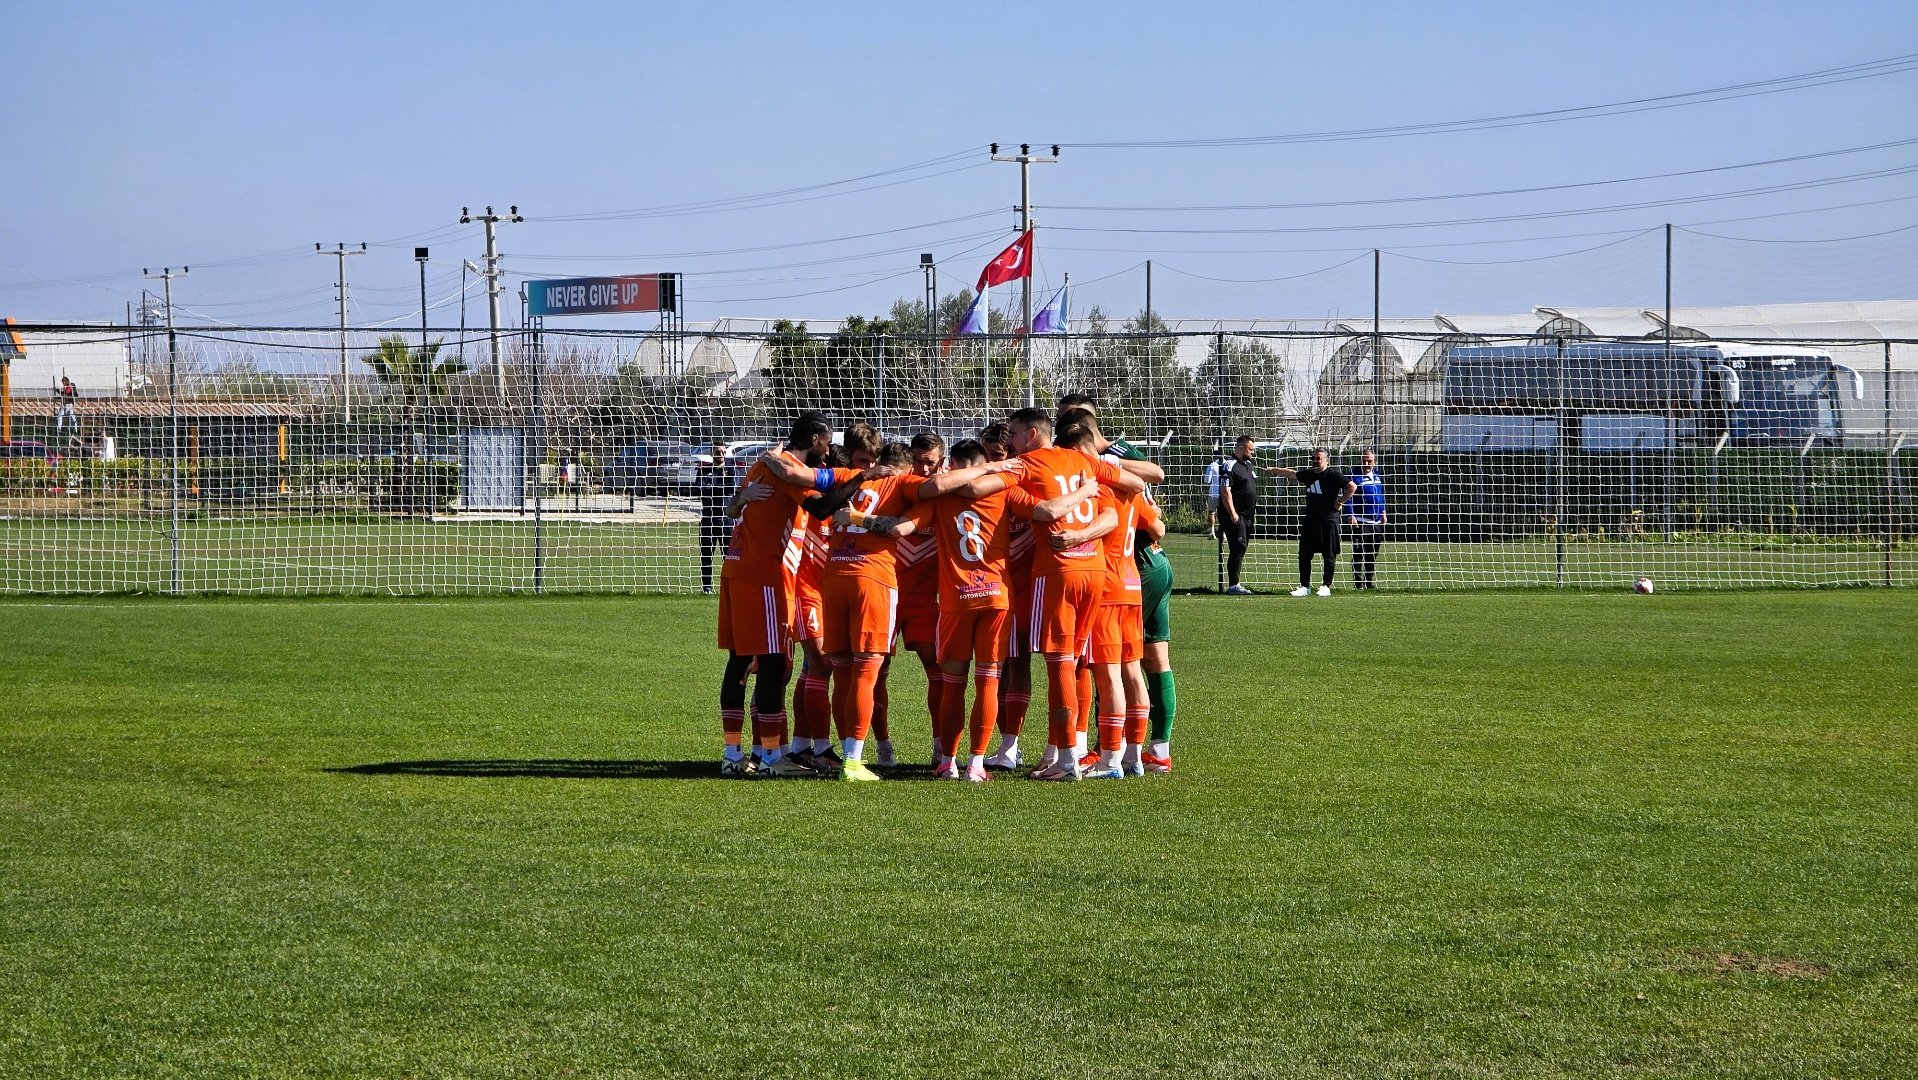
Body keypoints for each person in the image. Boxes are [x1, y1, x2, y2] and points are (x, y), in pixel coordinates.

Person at [932, 408, 1159, 780]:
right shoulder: (1085, 461)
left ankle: (1067, 761)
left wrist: (987, 470)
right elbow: (1134, 485)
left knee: (1059, 666)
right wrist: (1088, 496)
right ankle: (1082, 751)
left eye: (1014, 435)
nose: (1010, 443)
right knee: (1082, 664)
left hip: (1056, 572)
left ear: (1032, 434)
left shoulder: (1027, 464)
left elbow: (975, 490)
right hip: (1095, 572)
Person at [714, 413, 849, 779]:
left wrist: (740, 498)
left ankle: (734, 754)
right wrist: (859, 478)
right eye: (826, 442)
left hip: (737, 569)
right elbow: (822, 507)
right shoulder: (787, 469)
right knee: (774, 665)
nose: (827, 450)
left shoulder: (765, 463)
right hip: (764, 576)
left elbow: (733, 509)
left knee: (741, 661)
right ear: (814, 439)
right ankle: (773, 759)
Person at [1269, 447, 1356, 597]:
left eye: (1318, 458)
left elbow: (1352, 487)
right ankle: (1304, 586)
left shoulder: (1333, 475)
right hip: (1311, 520)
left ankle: (1326, 586)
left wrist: (1340, 501)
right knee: (1304, 554)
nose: (1315, 461)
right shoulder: (1309, 474)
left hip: (1329, 520)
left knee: (1329, 554)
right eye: (1313, 458)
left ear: (1326, 460)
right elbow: (1292, 474)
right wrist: (1274, 470)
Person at [1216, 436, 1261, 595]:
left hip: (1248, 516)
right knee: (1238, 546)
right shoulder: (1229, 465)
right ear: (1241, 447)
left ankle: (1235, 584)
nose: (1253, 452)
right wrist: (1232, 513)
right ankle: (1233, 585)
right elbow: (1225, 491)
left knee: (1241, 547)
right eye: (1251, 449)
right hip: (1235, 515)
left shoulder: (1248, 465)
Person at [693, 442, 734, 594]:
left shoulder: (731, 470)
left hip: (726, 519)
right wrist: (718, 488)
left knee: (728, 557)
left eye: (723, 452)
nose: (720, 455)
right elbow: (698, 489)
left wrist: (711, 488)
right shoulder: (704, 470)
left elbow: (730, 489)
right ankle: (707, 588)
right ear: (712, 454)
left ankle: (728, 588)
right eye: (717, 452)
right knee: (706, 556)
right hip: (708, 518)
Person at [1347, 449, 1387, 590]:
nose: (1366, 463)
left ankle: (1369, 582)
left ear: (1374, 462)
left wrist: (1383, 511)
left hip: (1376, 521)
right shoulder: (1353, 475)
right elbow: (1348, 497)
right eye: (1364, 460)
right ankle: (1358, 584)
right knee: (1359, 553)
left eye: (1369, 461)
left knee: (1373, 553)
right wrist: (1350, 514)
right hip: (1361, 520)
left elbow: (1381, 495)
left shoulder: (1377, 475)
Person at [55, 377, 79, 441]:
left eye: (63, 382)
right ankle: (74, 429)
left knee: (62, 415)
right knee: (68, 416)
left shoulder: (70, 386)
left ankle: (60, 429)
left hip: (68, 404)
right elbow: (64, 394)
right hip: (67, 404)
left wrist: (60, 390)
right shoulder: (68, 387)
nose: (62, 384)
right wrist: (58, 390)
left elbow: (67, 394)